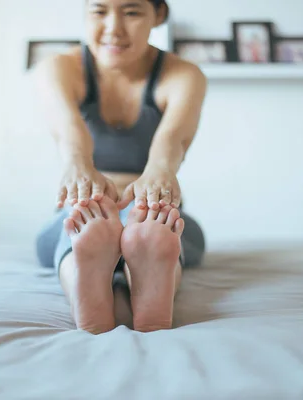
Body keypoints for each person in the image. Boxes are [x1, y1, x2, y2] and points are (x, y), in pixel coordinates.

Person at [32, 0, 207, 334]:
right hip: (87, 206)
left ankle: (133, 274)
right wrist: (78, 167)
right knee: (83, 224)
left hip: (152, 208)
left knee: (153, 229)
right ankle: (102, 280)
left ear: (158, 15)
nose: (113, 28)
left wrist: (159, 173)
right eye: (99, 11)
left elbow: (170, 143)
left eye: (132, 12)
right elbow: (71, 136)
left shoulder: (184, 76)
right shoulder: (58, 68)